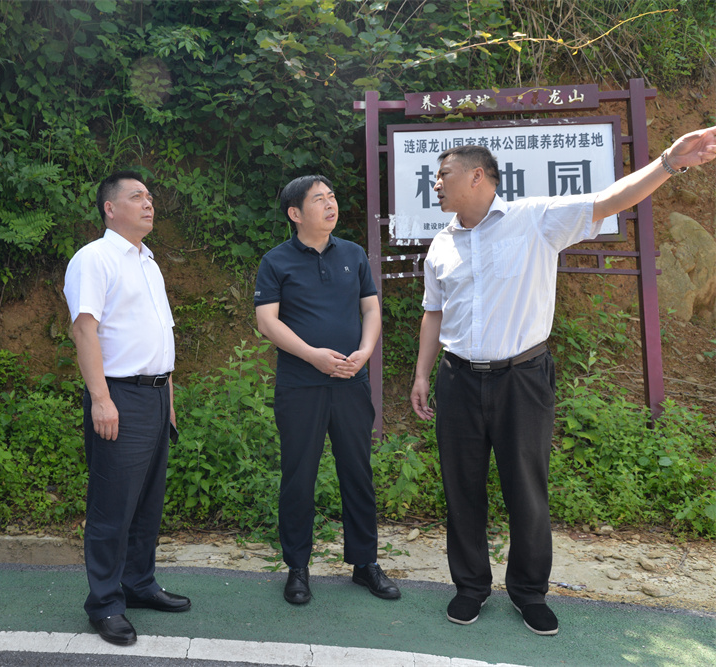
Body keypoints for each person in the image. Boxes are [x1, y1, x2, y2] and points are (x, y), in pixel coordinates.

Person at [410, 127, 716, 636]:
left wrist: (668, 162)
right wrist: (422, 374)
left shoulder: (535, 219)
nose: (436, 184)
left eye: (444, 175)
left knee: (527, 489)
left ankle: (529, 592)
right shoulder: (442, 244)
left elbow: (608, 200)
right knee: (461, 489)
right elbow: (433, 312)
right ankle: (470, 587)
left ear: (477, 176)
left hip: (523, 379)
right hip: (457, 379)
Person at [254, 175, 399, 606]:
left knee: (358, 472)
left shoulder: (353, 254)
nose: (330, 204)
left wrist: (365, 351)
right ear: (295, 213)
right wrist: (312, 355)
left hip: (351, 383)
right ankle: (297, 567)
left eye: (332, 196)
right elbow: (267, 322)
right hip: (301, 386)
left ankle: (365, 563)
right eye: (319, 199)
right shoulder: (276, 261)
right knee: (299, 477)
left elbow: (370, 309)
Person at [64, 170, 190, 647]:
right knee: (112, 506)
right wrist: (101, 398)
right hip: (118, 394)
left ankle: (138, 583)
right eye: (137, 196)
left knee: (147, 503)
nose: (148, 203)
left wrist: (168, 399)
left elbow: (161, 336)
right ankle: (104, 603)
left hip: (155, 395)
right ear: (110, 208)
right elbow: (84, 329)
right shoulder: (94, 258)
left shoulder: (149, 262)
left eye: (150, 196)